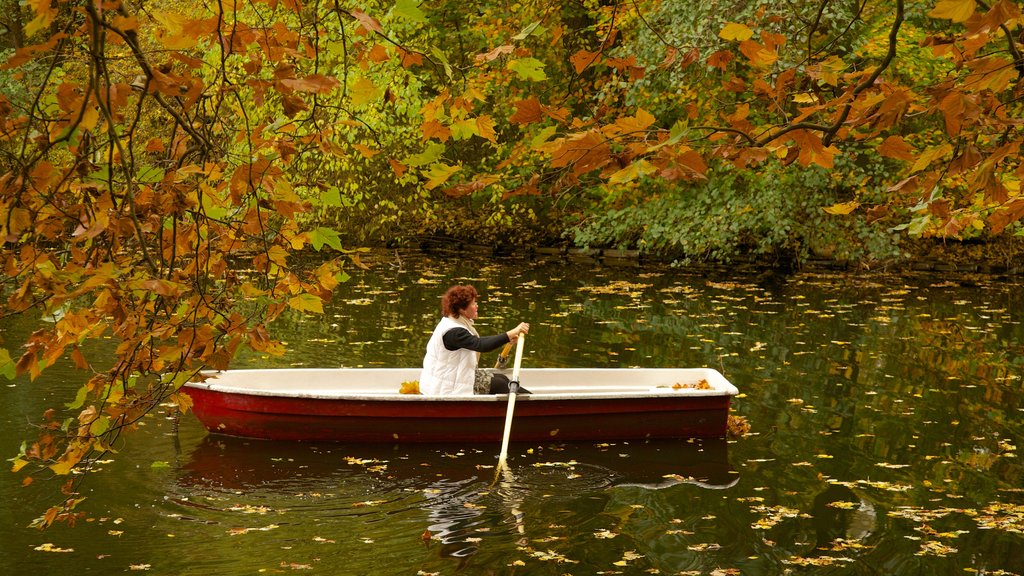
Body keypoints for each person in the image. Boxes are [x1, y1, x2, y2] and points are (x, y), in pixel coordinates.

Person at [420, 284, 529, 395]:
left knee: (501, 378)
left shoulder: (452, 321)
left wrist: (507, 338)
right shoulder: (454, 332)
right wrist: (512, 333)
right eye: (473, 303)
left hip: (447, 378)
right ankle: (533, 403)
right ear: (462, 309)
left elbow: (476, 342)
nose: (476, 306)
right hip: (444, 388)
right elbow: (480, 345)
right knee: (501, 384)